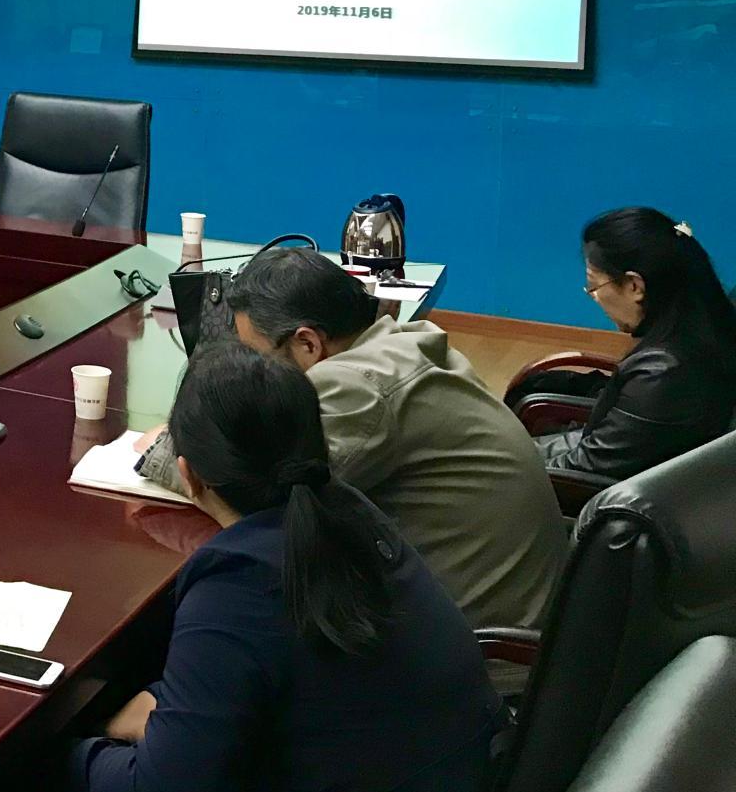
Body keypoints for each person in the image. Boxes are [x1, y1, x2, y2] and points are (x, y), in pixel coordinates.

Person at [75, 345, 502, 792]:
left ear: (187, 475)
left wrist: (67, 755)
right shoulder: (348, 511)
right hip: (464, 785)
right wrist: (166, 708)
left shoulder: (236, 584)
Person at [201, 247, 565, 630]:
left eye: (258, 359)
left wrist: (177, 455)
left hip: (472, 645)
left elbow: (268, 502)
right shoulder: (401, 344)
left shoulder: (355, 387)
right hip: (511, 611)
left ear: (308, 344)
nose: (253, 373)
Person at [533, 208, 736, 481]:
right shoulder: (706, 324)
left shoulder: (663, 374)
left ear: (634, 286)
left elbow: (580, 470)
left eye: (594, 287)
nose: (594, 297)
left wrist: (501, 469)